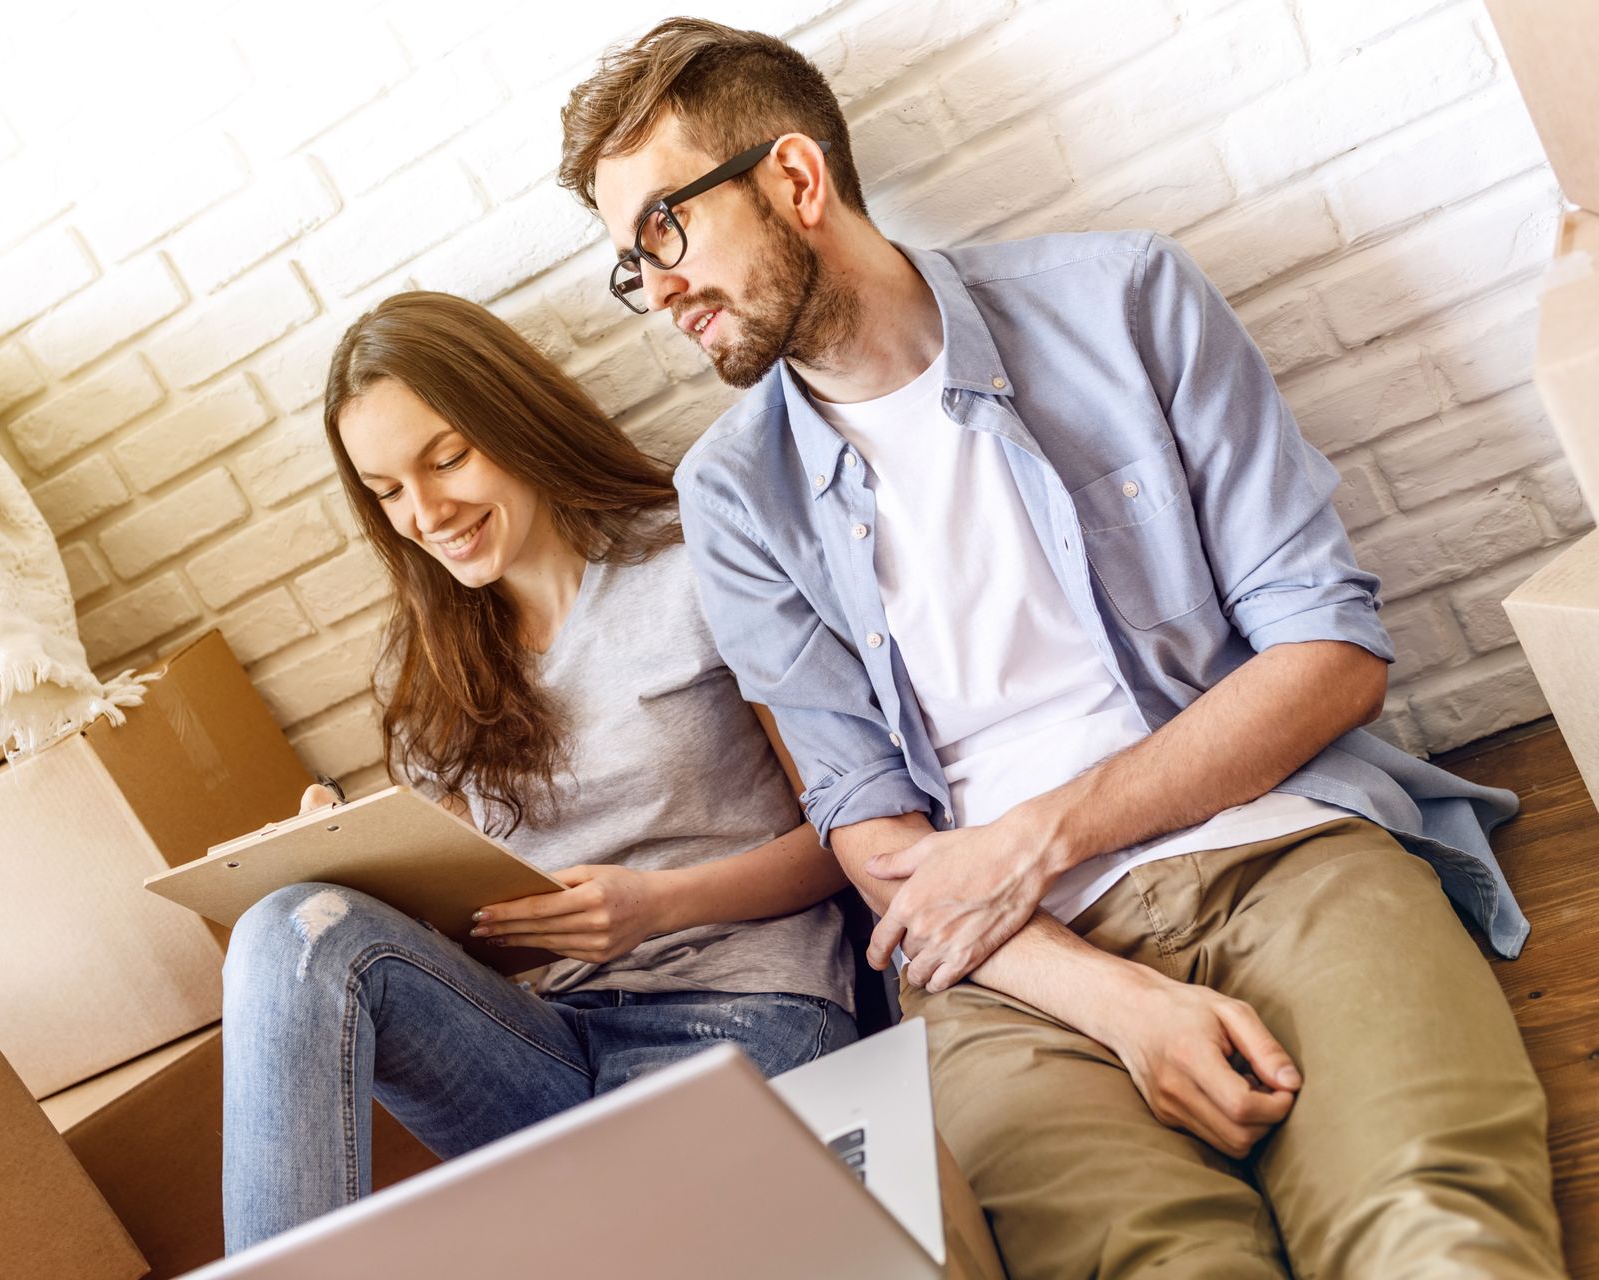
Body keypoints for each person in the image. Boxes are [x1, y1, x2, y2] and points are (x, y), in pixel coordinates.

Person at [558, 18, 1564, 1279]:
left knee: (1435, 1234)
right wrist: (1115, 1000)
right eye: (627, 263)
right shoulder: (733, 494)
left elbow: (1330, 652)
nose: (653, 289)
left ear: (797, 180)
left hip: (1283, 849)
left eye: (666, 229)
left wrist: (1042, 835)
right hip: (1004, 970)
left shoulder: (1123, 301)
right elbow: (868, 825)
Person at [218, 290, 861, 1251]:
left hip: (747, 1010)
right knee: (290, 930)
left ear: (509, 417)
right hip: (549, 1039)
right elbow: (482, 933)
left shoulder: (693, 566)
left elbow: (854, 832)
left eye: (445, 460)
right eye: (389, 492)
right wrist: (358, 866)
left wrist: (658, 905)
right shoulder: (427, 667)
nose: (427, 515)